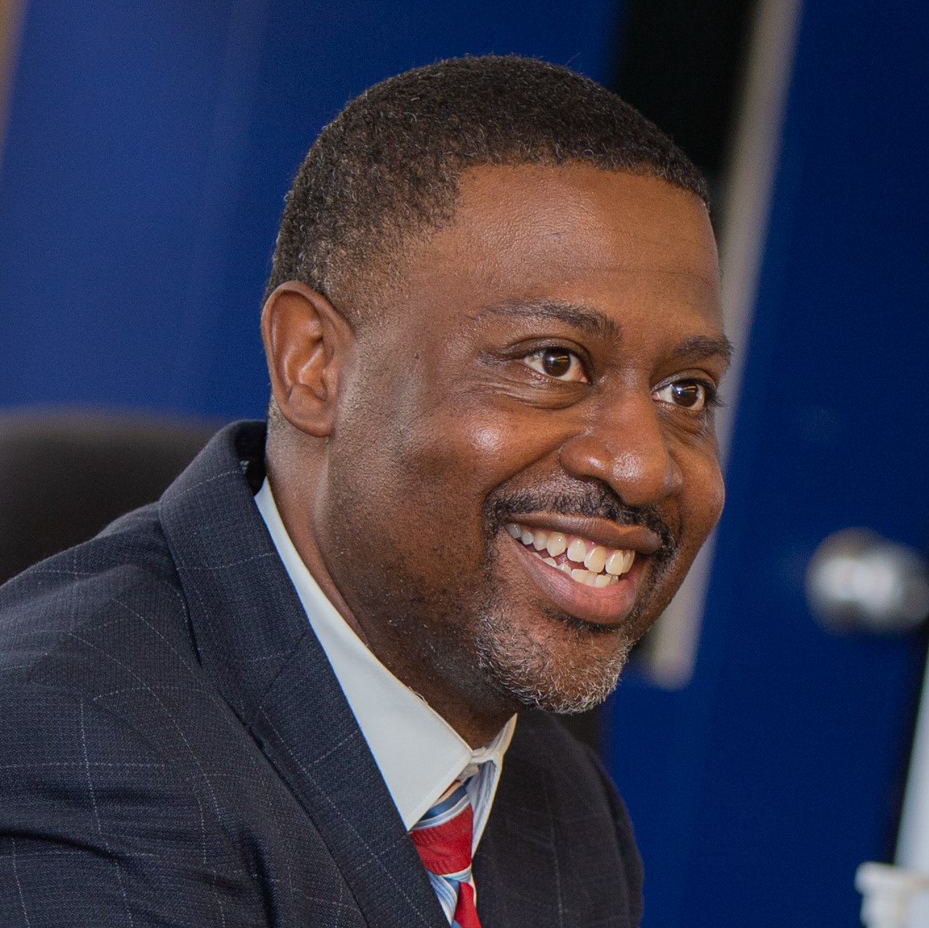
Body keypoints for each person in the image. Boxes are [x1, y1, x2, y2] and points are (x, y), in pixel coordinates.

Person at [0, 55, 730, 927]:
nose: (644, 467)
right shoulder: (72, 748)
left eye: (685, 391)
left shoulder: (558, 800)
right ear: (314, 365)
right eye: (552, 362)